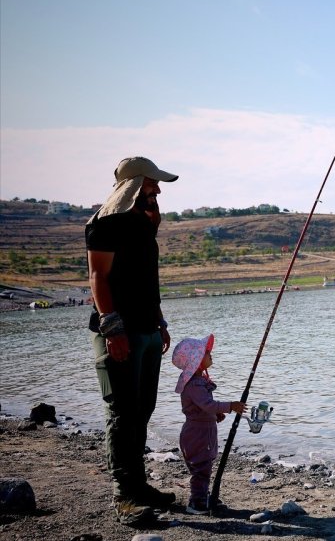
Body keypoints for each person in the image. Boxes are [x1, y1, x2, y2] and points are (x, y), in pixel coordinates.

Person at [86, 156, 178, 524]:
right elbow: (98, 276)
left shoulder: (143, 223)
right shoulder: (104, 224)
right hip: (119, 333)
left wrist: (159, 321)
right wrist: (113, 329)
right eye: (151, 184)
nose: (157, 190)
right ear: (133, 185)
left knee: (142, 410)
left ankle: (139, 486)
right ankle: (124, 496)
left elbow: (145, 280)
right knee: (122, 413)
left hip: (148, 330)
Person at [171, 334, 245, 514]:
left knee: (205, 465)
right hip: (198, 434)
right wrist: (230, 406)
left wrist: (214, 414)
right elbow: (207, 404)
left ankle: (202, 496)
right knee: (201, 468)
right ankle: (196, 502)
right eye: (206, 352)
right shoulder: (194, 384)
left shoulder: (197, 381)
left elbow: (202, 406)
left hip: (202, 431)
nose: (210, 353)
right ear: (196, 361)